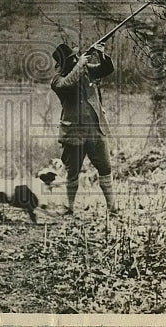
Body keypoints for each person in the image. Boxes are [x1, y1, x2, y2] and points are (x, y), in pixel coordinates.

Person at [50, 41, 119, 217]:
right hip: (73, 133)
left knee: (105, 169)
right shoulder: (57, 81)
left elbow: (106, 70)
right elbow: (68, 84)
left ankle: (112, 208)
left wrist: (101, 55)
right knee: (72, 173)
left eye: (75, 58)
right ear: (62, 65)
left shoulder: (86, 70)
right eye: (71, 59)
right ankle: (69, 208)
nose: (75, 60)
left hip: (95, 130)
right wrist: (80, 65)